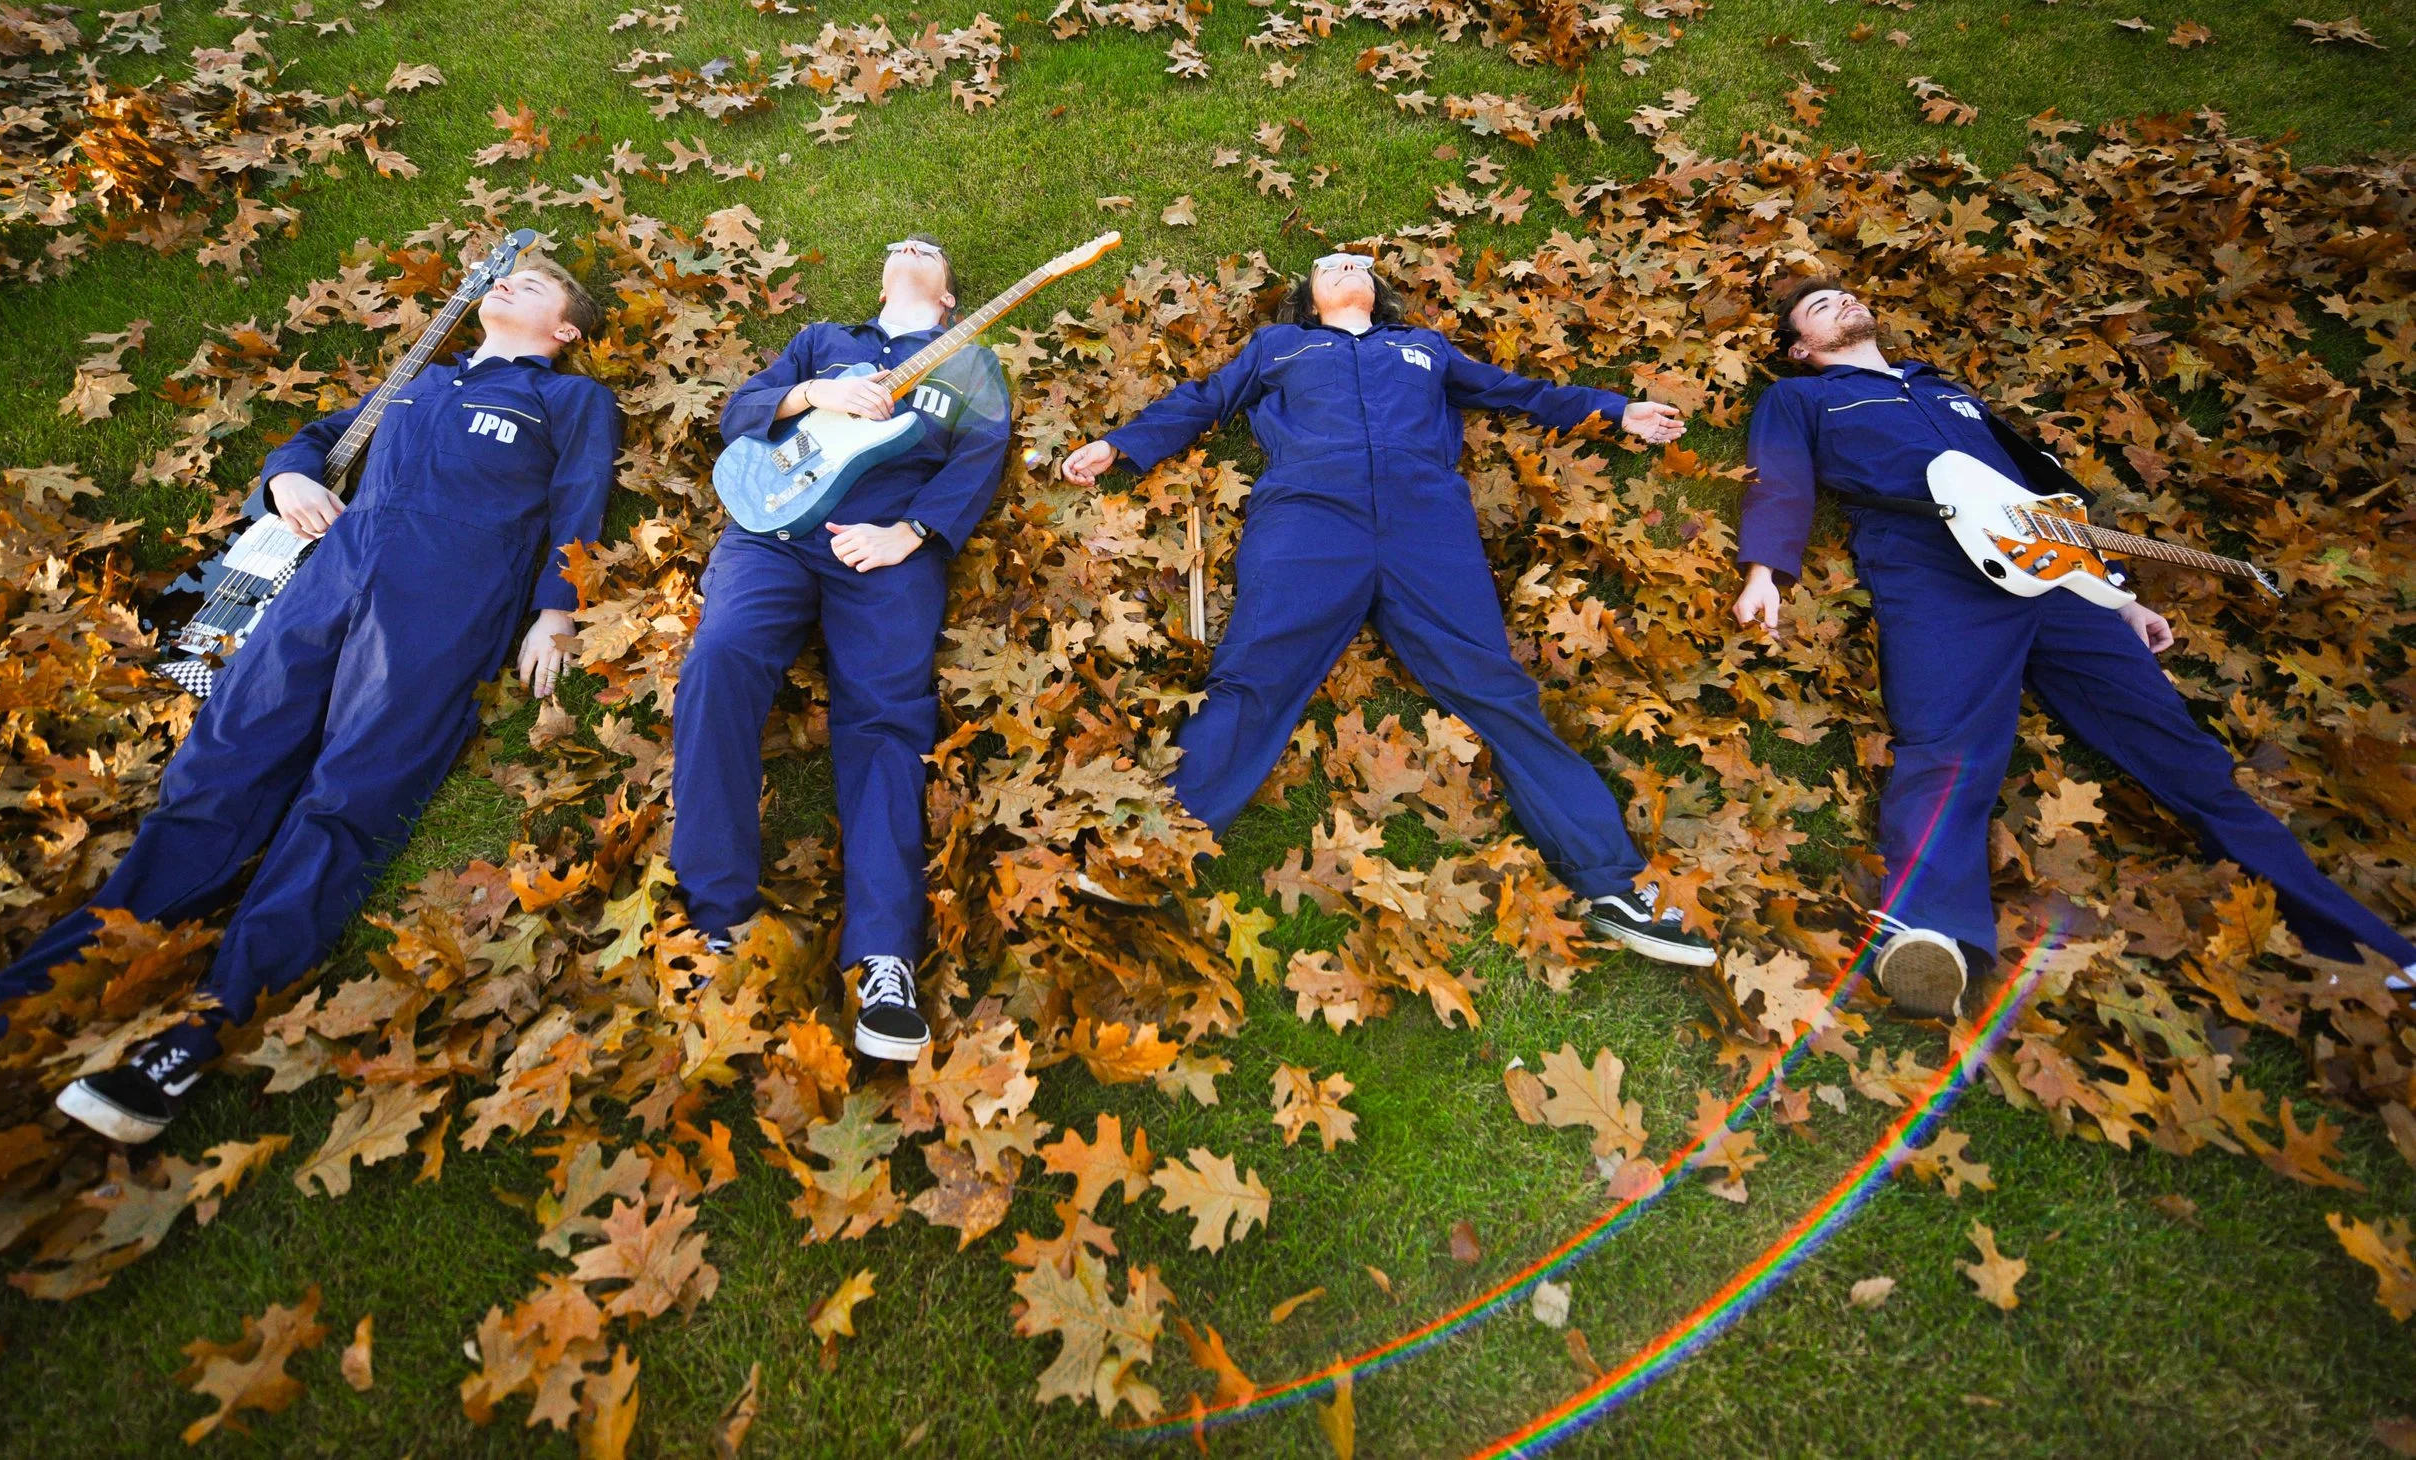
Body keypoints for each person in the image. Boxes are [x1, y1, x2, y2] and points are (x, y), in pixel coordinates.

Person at [0, 255, 622, 1138]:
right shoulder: (417, 382)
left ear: (566, 332)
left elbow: (578, 502)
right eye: (506, 275)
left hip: (442, 609)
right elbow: (318, 438)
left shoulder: (570, 401)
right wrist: (286, 478)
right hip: (323, 592)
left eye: (538, 282)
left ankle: (199, 1034)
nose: (511, 280)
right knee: (210, 788)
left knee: (343, 802)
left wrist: (556, 613)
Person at [1732, 278, 2416, 1018]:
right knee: (1947, 746)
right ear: (1802, 347)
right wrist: (1766, 570)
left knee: (2185, 755)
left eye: (1844, 294)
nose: (1842, 302)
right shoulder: (1802, 399)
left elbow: (2048, 500)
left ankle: (2367, 948)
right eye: (1820, 307)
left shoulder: (1948, 391)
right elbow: (1780, 477)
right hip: (1929, 570)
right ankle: (1932, 937)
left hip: (2057, 581)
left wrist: (2117, 596)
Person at [1060, 251, 1715, 967]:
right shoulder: (1280, 346)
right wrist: (1118, 446)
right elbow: (1204, 398)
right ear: (1309, 298)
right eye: (1329, 265)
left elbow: (1513, 390)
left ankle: (1613, 884)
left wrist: (1615, 408)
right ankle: (1152, 853)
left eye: (1358, 264)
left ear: (1378, 292)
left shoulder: (1425, 349)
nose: (1346, 268)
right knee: (1254, 681)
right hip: (1308, 523)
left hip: (1427, 529)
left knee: (1497, 691)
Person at [671, 236, 1010, 1062]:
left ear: (950, 301)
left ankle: (885, 957)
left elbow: (981, 456)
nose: (913, 244)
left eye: (933, 250)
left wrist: (913, 532)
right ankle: (717, 917)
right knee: (717, 660)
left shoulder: (972, 364)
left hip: (883, 551)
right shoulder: (825, 340)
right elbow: (738, 413)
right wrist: (813, 391)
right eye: (900, 244)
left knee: (887, 718)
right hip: (771, 535)